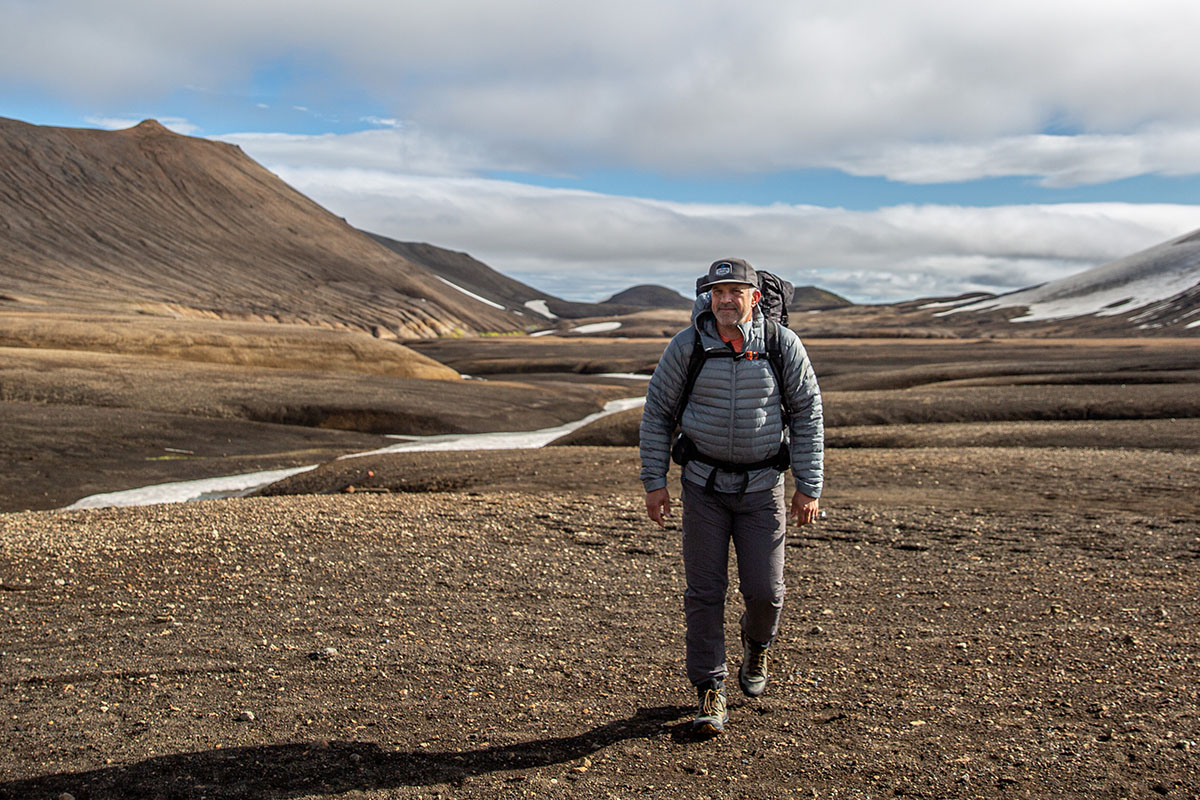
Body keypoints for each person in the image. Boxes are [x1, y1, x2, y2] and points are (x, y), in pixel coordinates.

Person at [639, 257, 824, 735]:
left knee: (766, 592)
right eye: (717, 291)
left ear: (754, 298)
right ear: (708, 297)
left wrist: (809, 485)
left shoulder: (783, 346)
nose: (725, 300)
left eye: (735, 292)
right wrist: (654, 482)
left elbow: (807, 413)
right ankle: (710, 690)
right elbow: (657, 413)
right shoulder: (687, 346)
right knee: (704, 593)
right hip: (702, 487)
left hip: (763, 490)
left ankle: (757, 644)